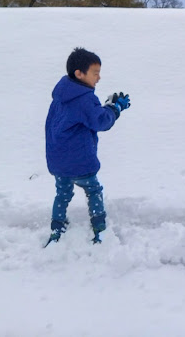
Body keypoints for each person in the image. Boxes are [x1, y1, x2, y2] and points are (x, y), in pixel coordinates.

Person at [45, 47, 131, 245]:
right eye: (95, 73)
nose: (98, 78)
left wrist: (103, 107)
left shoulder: (61, 95)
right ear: (79, 74)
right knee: (93, 190)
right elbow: (100, 121)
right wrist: (114, 108)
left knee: (62, 193)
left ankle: (56, 229)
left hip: (59, 160)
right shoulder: (84, 99)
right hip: (80, 161)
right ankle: (99, 227)